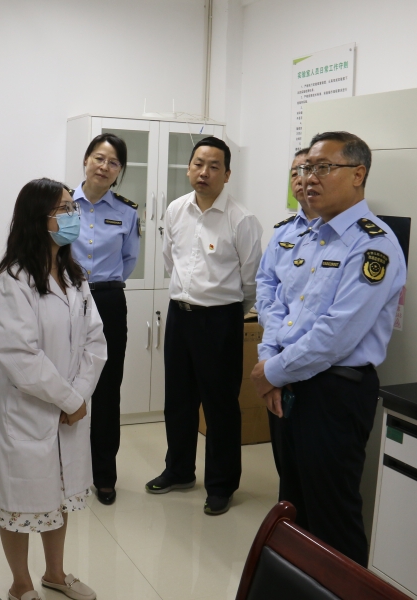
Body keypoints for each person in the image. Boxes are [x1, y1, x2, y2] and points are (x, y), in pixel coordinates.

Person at [252, 131, 406, 566]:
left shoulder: (373, 244)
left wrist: (271, 371)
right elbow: (279, 303)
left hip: (334, 392)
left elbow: (337, 334)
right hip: (288, 384)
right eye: (305, 168)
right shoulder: (307, 235)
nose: (309, 178)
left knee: (332, 516)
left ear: (358, 175)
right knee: (293, 506)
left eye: (323, 168)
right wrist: (270, 361)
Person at [0, 178, 106, 600]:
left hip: (69, 410)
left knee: (60, 494)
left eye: (73, 208)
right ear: (38, 218)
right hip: (29, 412)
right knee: (20, 501)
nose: (72, 216)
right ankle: (21, 584)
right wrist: (70, 399)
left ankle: (55, 573)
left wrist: (79, 396)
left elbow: (95, 342)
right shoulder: (11, 282)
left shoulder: (74, 276)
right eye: (63, 210)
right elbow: (22, 358)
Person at [145, 136, 263, 516]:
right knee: (178, 401)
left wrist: (225, 309)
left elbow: (251, 280)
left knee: (220, 406)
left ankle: (221, 485)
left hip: (220, 320)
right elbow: (171, 260)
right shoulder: (176, 210)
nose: (204, 172)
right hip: (180, 315)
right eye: (198, 164)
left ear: (227, 174)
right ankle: (179, 470)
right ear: (188, 168)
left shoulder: (241, 219)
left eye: (214, 166)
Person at [70, 133, 139, 505]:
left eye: (113, 162)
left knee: (108, 389)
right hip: (66, 299)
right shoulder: (62, 204)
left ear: (119, 171)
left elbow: (129, 260)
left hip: (109, 300)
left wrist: (101, 287)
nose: (104, 167)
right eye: (99, 158)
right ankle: (66, 467)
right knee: (66, 381)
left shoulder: (127, 212)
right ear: (85, 160)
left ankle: (104, 475)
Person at [254, 147, 315, 478]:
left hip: (314, 365)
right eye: (295, 172)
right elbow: (267, 285)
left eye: (308, 170)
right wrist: (270, 354)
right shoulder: (284, 231)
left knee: (315, 473)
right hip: (277, 354)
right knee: (285, 462)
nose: (302, 179)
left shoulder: (347, 238)